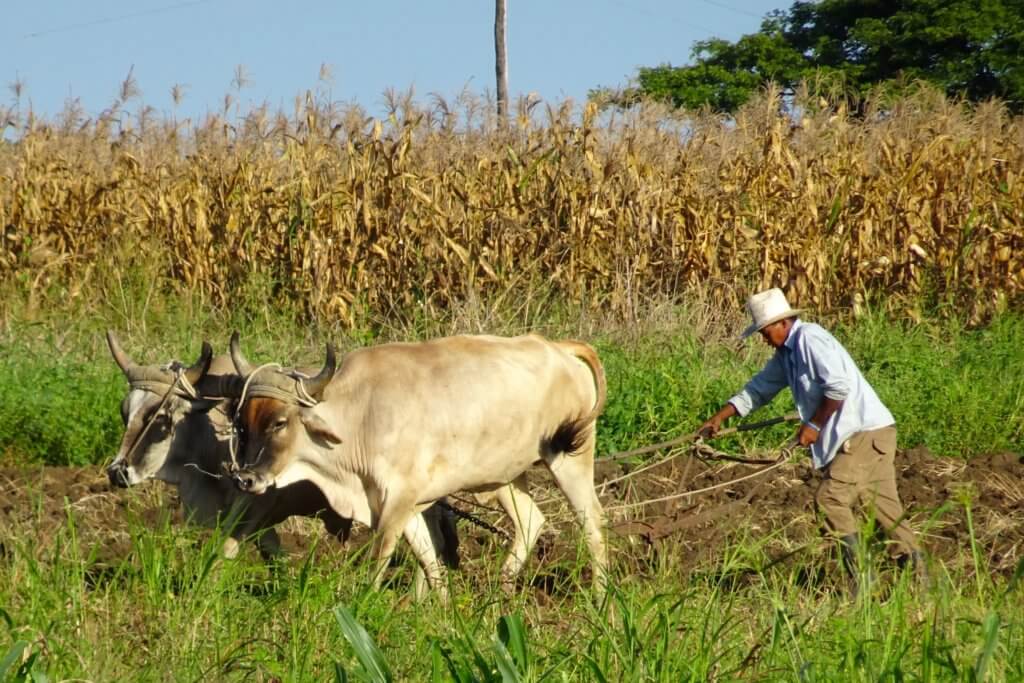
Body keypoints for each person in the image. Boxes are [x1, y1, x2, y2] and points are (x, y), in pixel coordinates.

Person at [699, 288, 926, 596]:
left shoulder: (810, 339)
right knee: (884, 510)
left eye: (765, 332)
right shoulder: (786, 356)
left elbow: (839, 386)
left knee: (830, 500)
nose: (764, 340)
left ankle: (865, 582)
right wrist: (720, 416)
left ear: (782, 323)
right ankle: (919, 582)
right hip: (869, 434)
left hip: (863, 433)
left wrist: (814, 425)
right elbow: (758, 390)